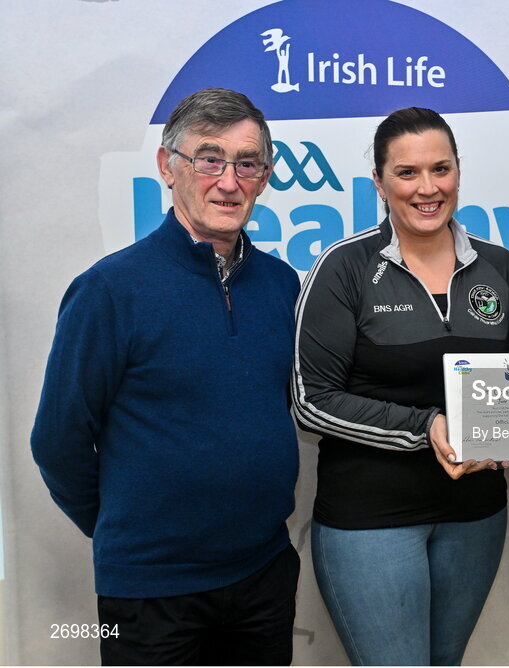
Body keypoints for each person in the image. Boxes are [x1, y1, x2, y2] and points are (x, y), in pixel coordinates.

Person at [31, 88, 301, 665]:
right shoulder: (109, 291)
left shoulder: (282, 286)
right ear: (166, 167)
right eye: (209, 158)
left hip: (264, 573)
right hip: (151, 591)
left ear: (263, 176)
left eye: (246, 163)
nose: (228, 181)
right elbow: (58, 441)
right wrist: (124, 530)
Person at [291, 107, 509, 666]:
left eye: (440, 169)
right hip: (371, 519)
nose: (428, 188)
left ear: (459, 171)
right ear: (378, 182)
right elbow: (310, 401)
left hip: (476, 515)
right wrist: (427, 428)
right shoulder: (343, 268)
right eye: (407, 173)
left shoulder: (500, 266)